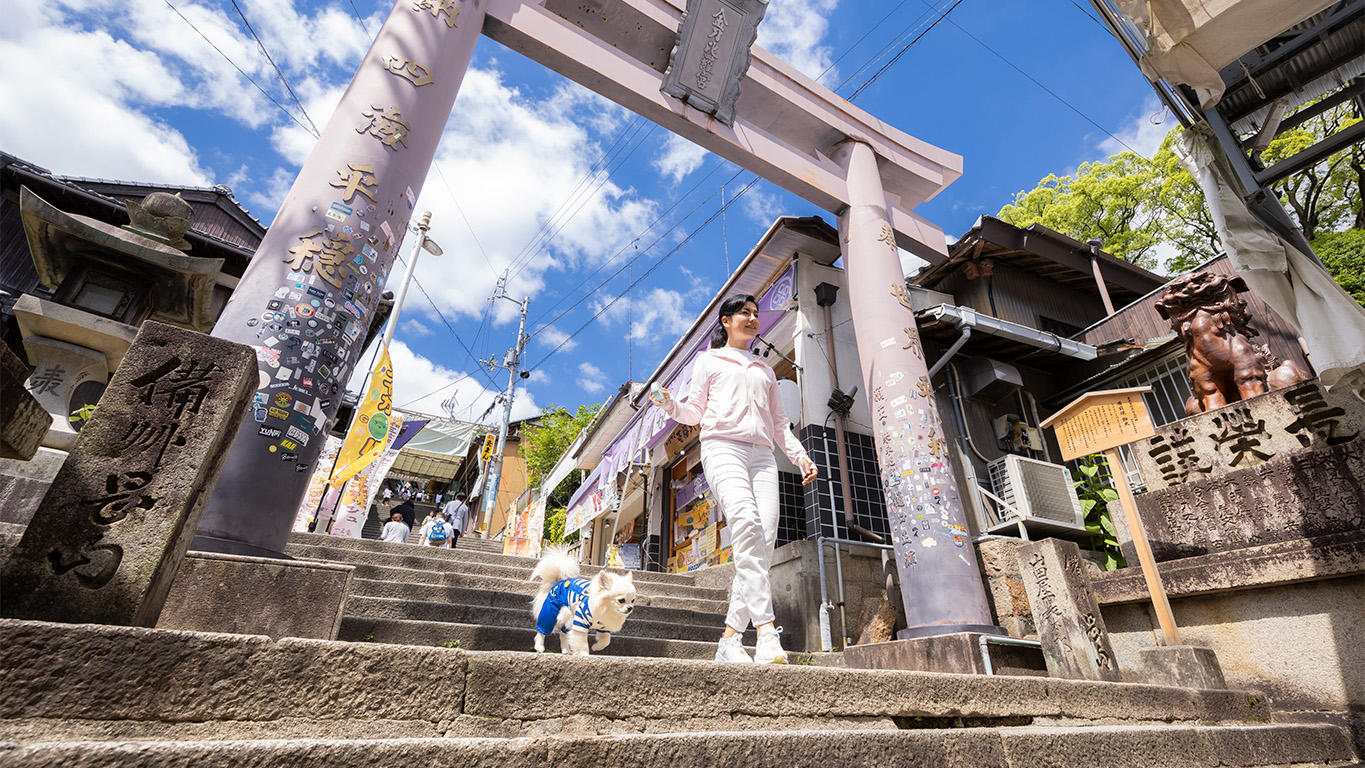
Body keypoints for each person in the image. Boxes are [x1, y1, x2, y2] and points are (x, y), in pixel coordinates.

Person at [651, 294, 817, 664]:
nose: (752, 318)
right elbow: (693, 410)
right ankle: (766, 632)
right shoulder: (708, 360)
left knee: (764, 538)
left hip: (762, 456)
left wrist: (801, 456)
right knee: (744, 521)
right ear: (726, 321)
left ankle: (729, 639)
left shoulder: (765, 369)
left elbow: (779, 425)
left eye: (756, 313)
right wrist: (667, 403)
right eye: (744, 312)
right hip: (722, 447)